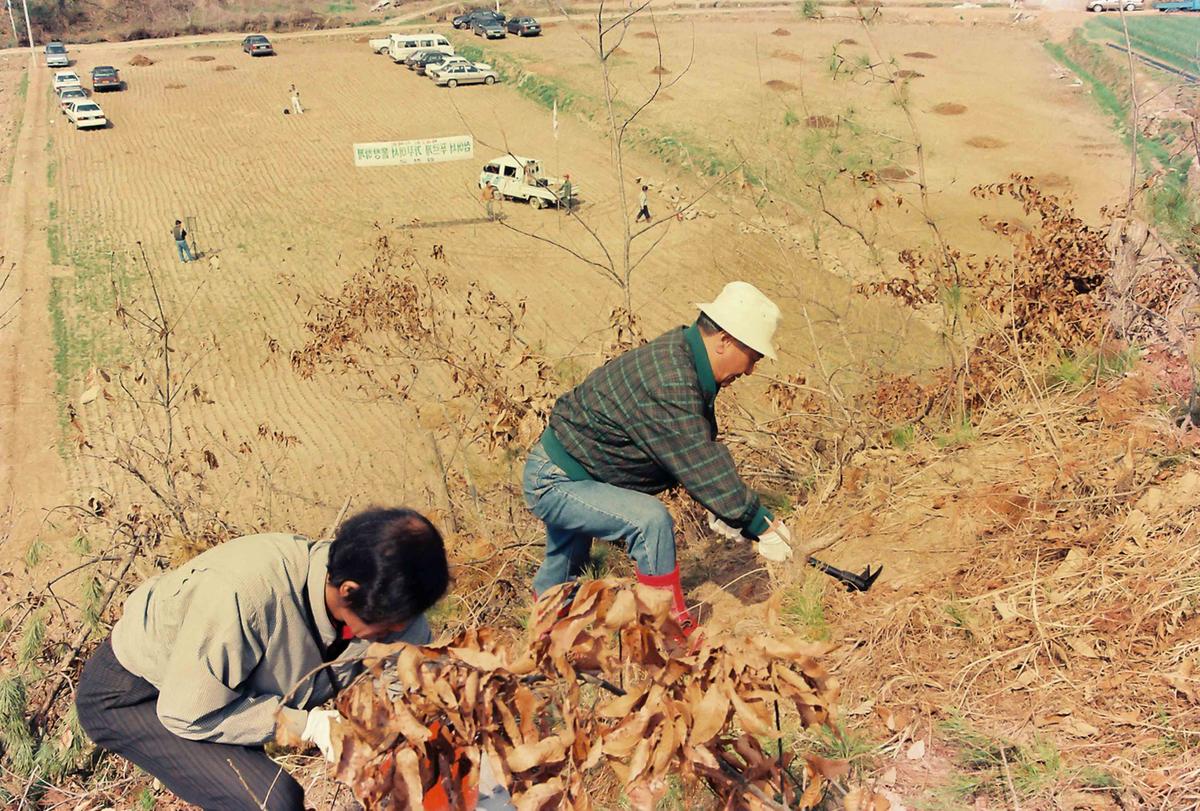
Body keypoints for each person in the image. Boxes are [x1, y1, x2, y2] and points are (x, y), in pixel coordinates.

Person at [75, 507, 451, 810]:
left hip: (233, 694)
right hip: (142, 695)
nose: (397, 634)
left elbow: (404, 686)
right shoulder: (247, 595)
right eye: (388, 627)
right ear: (348, 591)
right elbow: (187, 713)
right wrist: (309, 726)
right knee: (270, 800)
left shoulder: (386, 599)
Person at [522, 282, 795, 635]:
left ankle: (545, 633)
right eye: (753, 358)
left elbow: (683, 447)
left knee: (562, 577)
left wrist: (722, 507)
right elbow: (698, 457)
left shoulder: (681, 358)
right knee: (650, 521)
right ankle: (665, 632)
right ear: (725, 341)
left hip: (578, 468)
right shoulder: (670, 377)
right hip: (558, 480)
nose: (749, 371)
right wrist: (759, 523)